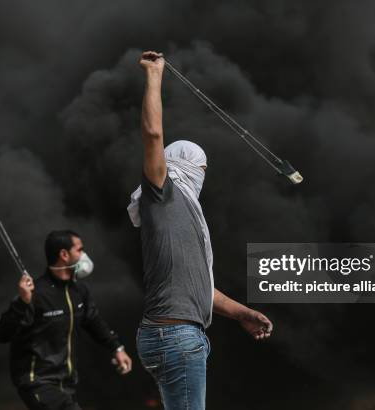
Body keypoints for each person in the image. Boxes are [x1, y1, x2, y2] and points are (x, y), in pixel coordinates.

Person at [128, 51, 274, 410]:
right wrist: (154, 75)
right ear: (183, 165)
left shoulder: (185, 217)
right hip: (174, 338)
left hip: (176, 335)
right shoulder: (162, 194)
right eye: (201, 169)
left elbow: (198, 288)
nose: (201, 179)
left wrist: (243, 313)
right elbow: (152, 134)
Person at [0, 230, 132, 410]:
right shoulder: (36, 294)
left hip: (66, 384)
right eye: (80, 250)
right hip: (37, 382)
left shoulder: (79, 291)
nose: (84, 255)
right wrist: (22, 303)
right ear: (64, 255)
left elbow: (93, 321)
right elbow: (1, 334)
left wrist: (116, 348)